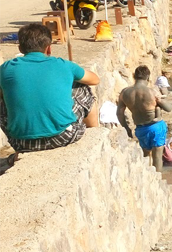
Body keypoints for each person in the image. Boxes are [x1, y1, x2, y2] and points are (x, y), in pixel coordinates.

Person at [0, 23, 100, 155]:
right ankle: (95, 131)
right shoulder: (63, 65)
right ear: (49, 49)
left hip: (20, 142)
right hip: (63, 136)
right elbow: (95, 79)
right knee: (82, 87)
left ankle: (21, 144)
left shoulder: (6, 68)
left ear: (20, 48)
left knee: (3, 96)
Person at [118, 65, 172, 172]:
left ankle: (148, 177)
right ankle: (157, 181)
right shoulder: (152, 92)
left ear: (134, 76)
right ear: (148, 78)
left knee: (146, 155)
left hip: (140, 129)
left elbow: (119, 113)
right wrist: (160, 101)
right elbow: (169, 109)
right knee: (157, 156)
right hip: (155, 127)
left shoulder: (124, 92)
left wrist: (127, 128)